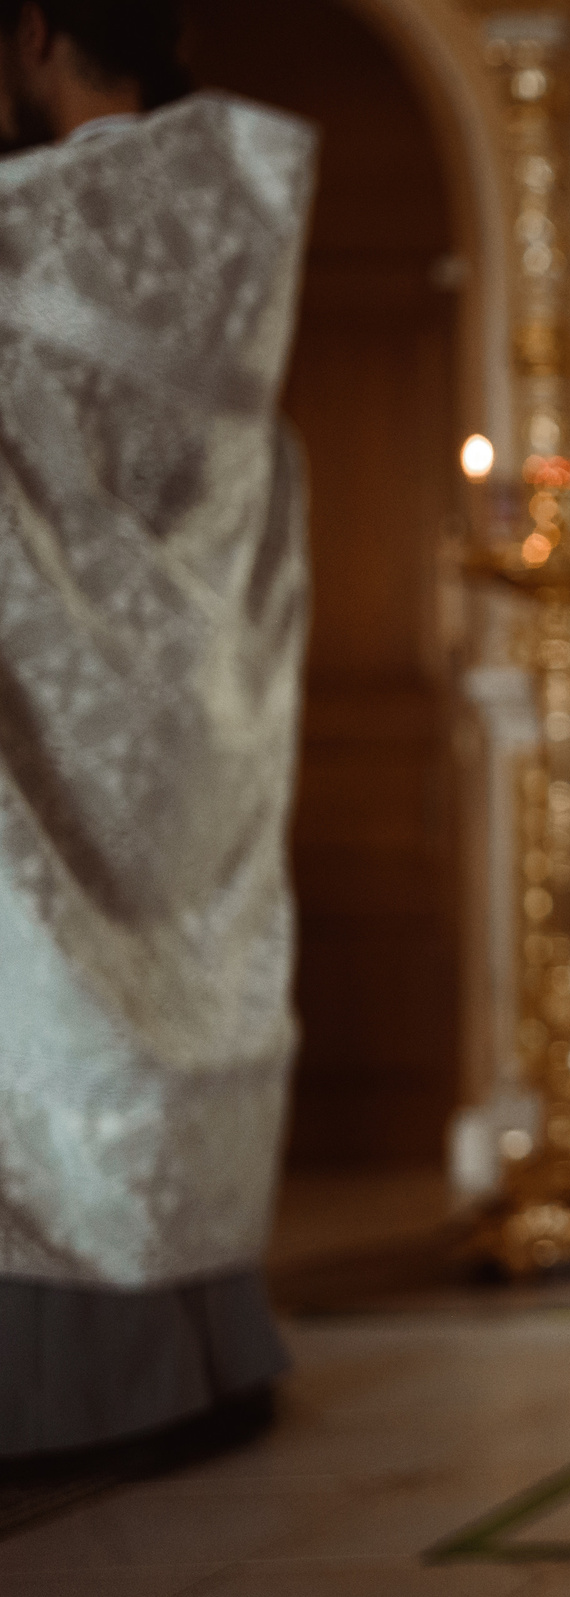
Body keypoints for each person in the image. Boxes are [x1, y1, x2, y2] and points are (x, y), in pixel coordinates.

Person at [0, 0, 313, 1460]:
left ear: (39, 34)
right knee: (190, 991)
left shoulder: (33, 223)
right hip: (203, 701)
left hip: (53, 710)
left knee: (53, 1009)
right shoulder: (238, 214)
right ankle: (207, 1348)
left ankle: (85, 1384)